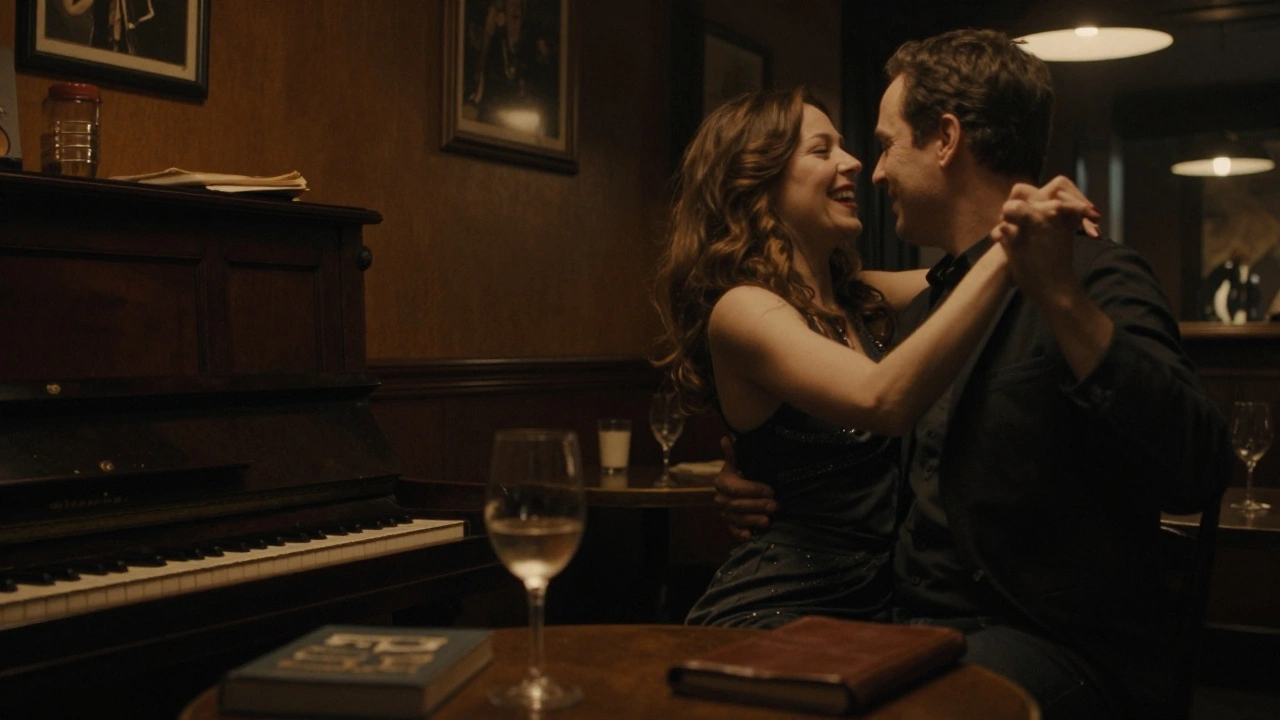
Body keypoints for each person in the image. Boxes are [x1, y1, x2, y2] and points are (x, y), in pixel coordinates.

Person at [712, 29, 1230, 720]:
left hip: (1051, 642)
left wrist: (1062, 298)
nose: (875, 170)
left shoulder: (1094, 275)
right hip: (906, 629)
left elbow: (1197, 467)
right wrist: (756, 468)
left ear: (946, 139)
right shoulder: (930, 310)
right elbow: (865, 414)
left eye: (889, 142)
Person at [651, 87, 1096, 630]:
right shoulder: (743, 309)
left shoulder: (861, 297)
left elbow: (971, 274)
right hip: (779, 613)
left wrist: (1056, 224)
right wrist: (1013, 242)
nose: (855, 162)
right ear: (756, 181)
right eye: (822, 150)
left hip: (882, 614)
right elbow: (881, 397)